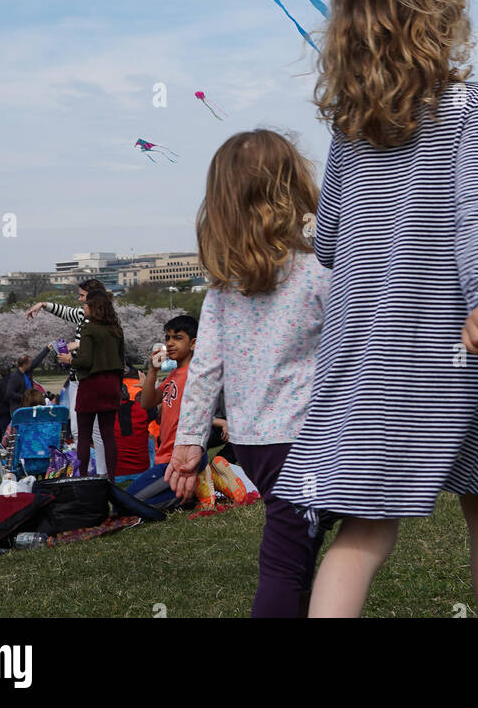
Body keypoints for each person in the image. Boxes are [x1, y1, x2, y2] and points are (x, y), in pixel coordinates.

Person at [270, 0, 478, 620]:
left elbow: (328, 240)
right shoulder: (470, 106)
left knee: (364, 527)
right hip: (464, 340)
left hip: (370, 348)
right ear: (438, 9)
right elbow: (476, 209)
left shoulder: (347, 128)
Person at [168, 129, 330, 618]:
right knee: (284, 563)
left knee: (301, 552)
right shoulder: (320, 266)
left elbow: (204, 371)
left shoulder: (223, 287)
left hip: (255, 444)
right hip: (308, 440)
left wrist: (190, 442)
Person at [25, 279, 109, 471]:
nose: (79, 300)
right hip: (76, 377)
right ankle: (85, 471)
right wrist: (43, 305)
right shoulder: (84, 315)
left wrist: (76, 347)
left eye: (82, 296)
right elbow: (66, 312)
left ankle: (99, 473)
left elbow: (102, 340)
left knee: (94, 431)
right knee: (78, 431)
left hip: (89, 377)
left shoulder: (102, 319)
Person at [132, 316, 200, 506]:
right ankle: (187, 493)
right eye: (167, 338)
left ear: (193, 343)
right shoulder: (172, 375)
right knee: (130, 500)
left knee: (133, 503)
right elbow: (147, 403)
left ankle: (191, 490)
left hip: (181, 457)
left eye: (177, 338)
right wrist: (152, 371)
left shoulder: (195, 375)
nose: (170, 343)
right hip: (165, 458)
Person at [74, 290, 125, 481]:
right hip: (112, 384)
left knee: (84, 436)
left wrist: (70, 359)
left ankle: (84, 478)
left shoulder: (89, 328)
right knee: (108, 434)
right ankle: (111, 478)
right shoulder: (116, 330)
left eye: (86, 304)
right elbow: (121, 360)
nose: (83, 307)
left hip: (91, 385)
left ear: (94, 307)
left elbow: (85, 361)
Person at [114, 377, 154, 477]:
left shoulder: (106, 414)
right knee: (151, 439)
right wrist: (145, 387)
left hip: (116, 471)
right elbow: (154, 405)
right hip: (142, 469)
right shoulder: (142, 408)